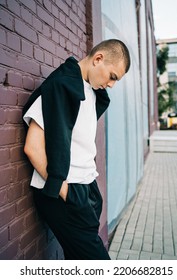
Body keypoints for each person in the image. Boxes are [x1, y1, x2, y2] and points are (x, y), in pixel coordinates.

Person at [22, 39, 131, 260]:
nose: (111, 85)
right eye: (112, 77)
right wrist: (66, 191)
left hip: (85, 189)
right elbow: (32, 147)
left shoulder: (90, 91)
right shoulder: (60, 86)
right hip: (64, 194)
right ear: (98, 58)